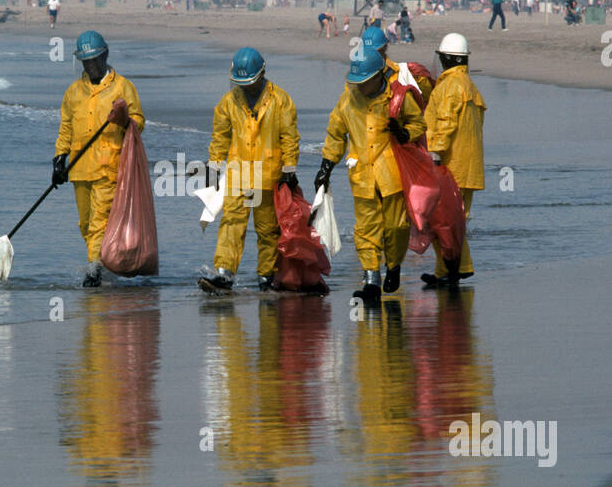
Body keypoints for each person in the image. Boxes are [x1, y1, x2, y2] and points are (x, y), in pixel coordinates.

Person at [314, 46, 426, 304]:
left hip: (392, 176)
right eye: (357, 83)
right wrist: (326, 167)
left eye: (364, 83)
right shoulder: (347, 101)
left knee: (396, 227)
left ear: (379, 76)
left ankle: (394, 266)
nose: (360, 88)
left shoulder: (397, 97)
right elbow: (335, 135)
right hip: (362, 175)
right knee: (366, 229)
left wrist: (403, 133)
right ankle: (371, 279)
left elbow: (418, 124)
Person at [200, 48, 300, 292]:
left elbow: (289, 136)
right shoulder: (228, 102)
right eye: (242, 83)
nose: (246, 88)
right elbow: (221, 136)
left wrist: (289, 169)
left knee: (267, 230)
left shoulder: (280, 100)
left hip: (268, 175)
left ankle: (266, 276)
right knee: (232, 223)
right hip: (239, 174)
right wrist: (214, 164)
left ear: (262, 73)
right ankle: (224, 273)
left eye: (251, 83)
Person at [53, 31, 145, 287]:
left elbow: (139, 121)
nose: (90, 66)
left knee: (99, 220)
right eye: (85, 61)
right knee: (85, 223)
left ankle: (94, 269)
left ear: (105, 55)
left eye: (93, 60)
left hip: (109, 166)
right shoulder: (74, 92)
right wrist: (60, 159)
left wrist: (125, 119)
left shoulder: (122, 87)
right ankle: (102, 263)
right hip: (80, 169)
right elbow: (66, 128)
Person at [423, 33, 485, 290]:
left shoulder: (449, 87)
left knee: (445, 221)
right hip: (469, 166)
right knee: (453, 220)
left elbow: (446, 124)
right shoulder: (470, 86)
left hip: (451, 167)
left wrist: (435, 155)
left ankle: (454, 272)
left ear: (446, 58)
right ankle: (447, 271)